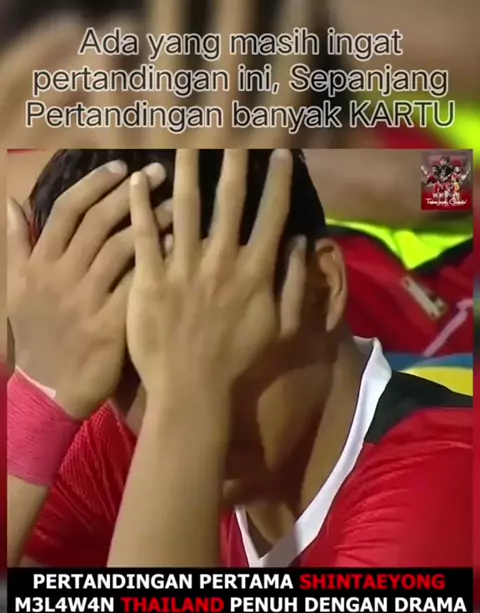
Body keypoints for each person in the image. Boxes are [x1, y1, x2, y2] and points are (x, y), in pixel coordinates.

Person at [7, 150, 471, 570]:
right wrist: (38, 395)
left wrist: (326, 167)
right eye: (132, 362)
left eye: (212, 338)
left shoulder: (439, 486)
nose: (155, 404)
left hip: (429, 313)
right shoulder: (134, 421)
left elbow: (449, 182)